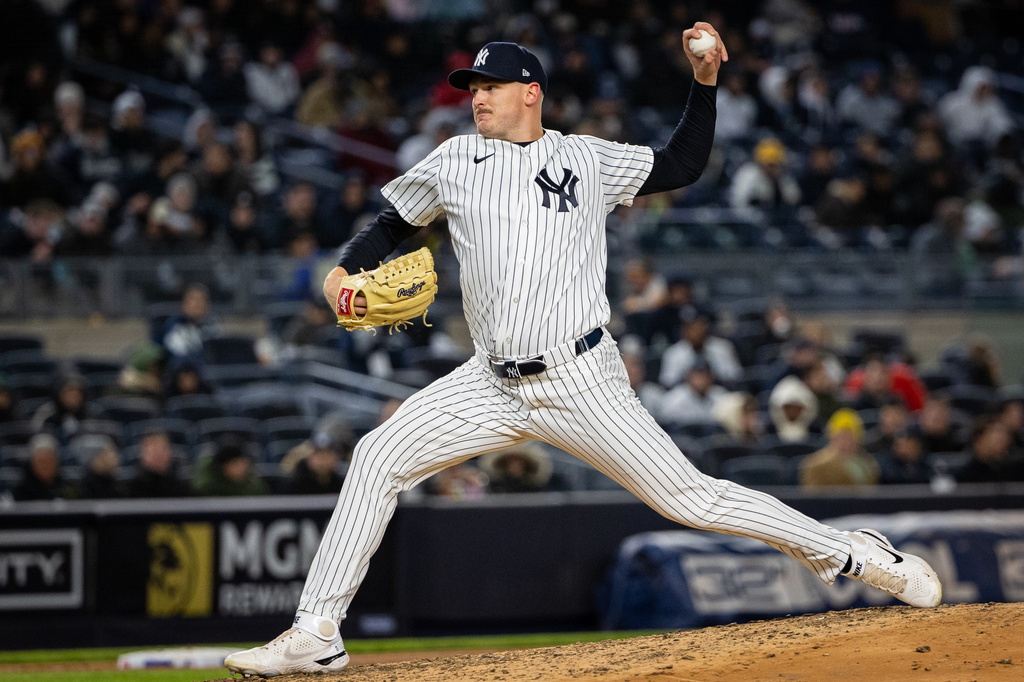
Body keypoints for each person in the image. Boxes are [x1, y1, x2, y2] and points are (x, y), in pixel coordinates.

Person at [225, 28, 942, 678]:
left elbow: (682, 164)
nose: (477, 99)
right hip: (488, 381)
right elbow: (390, 223)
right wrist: (344, 270)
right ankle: (316, 630)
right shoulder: (454, 160)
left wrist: (704, 80)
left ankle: (853, 554)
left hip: (580, 376)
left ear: (530, 93)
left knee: (691, 498)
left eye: (490, 88)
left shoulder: (583, 158)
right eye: (471, 89)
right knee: (378, 458)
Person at [800, 409, 880, 488]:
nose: (846, 442)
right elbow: (812, 497)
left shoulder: (869, 464)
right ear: (832, 438)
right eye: (842, 437)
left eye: (850, 437)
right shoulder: (815, 465)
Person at [127, 429, 189, 498]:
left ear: (170, 452)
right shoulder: (132, 489)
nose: (158, 455)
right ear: (142, 454)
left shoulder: (181, 487)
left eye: (162, 450)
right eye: (153, 452)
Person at [13, 433, 66, 502]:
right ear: (32, 464)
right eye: (41, 462)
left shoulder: (66, 487)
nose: (45, 466)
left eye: (48, 461)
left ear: (56, 462)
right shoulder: (21, 492)